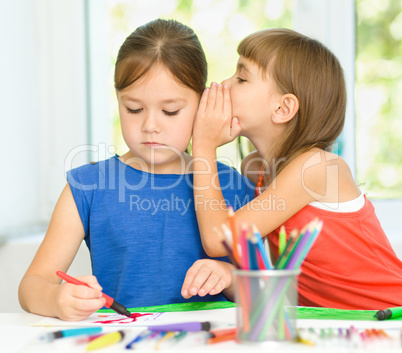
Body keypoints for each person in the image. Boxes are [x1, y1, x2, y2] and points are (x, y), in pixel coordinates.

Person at [18, 19, 254, 321]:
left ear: (202, 103)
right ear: (117, 99)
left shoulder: (232, 185)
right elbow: (31, 286)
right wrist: (55, 298)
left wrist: (230, 276)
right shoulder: (89, 186)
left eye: (170, 111)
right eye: (133, 109)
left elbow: (269, 293)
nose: (150, 125)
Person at [191, 28, 402, 310]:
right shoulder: (256, 170)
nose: (224, 84)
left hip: (391, 315)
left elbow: (220, 241)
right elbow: (281, 282)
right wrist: (231, 277)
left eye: (241, 78)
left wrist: (203, 145)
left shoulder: (316, 168)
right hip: (333, 324)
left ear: (282, 108)